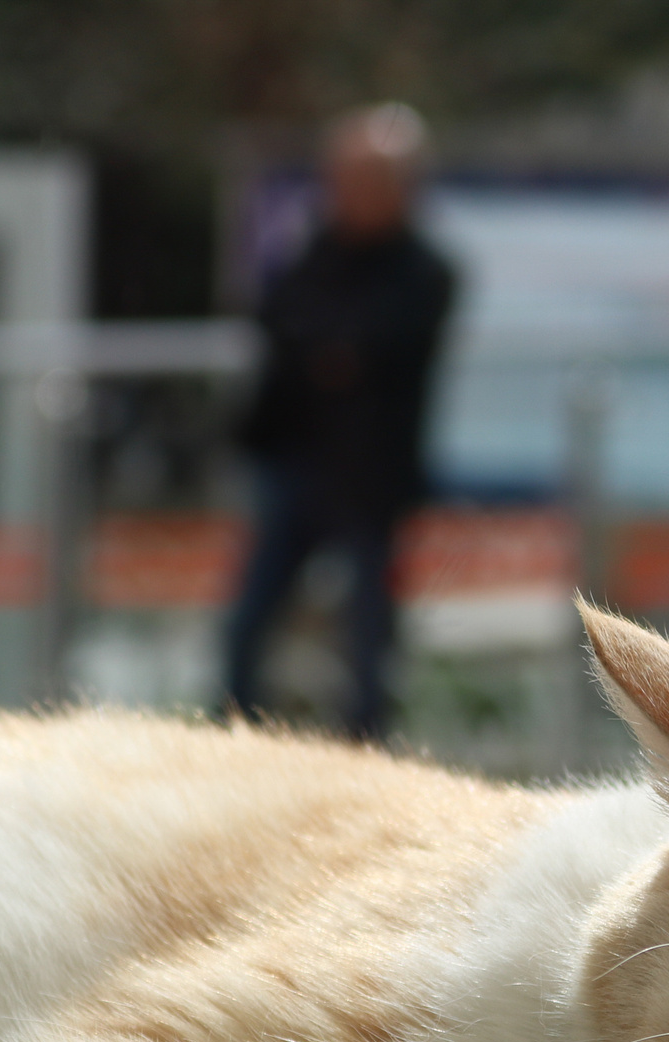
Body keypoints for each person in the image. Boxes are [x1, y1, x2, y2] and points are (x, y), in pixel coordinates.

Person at [223, 104, 456, 739]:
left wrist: (334, 350)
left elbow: (374, 348)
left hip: (371, 477)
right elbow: (282, 326)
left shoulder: (425, 271)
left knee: (369, 634)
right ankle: (228, 735)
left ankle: (366, 749)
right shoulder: (315, 254)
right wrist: (328, 352)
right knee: (249, 620)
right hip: (294, 462)